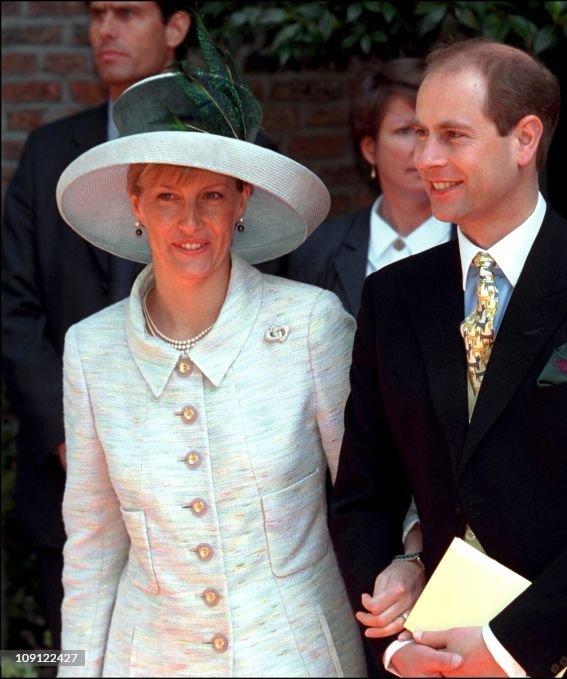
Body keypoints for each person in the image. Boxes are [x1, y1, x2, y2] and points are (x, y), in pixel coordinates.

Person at [54, 30, 418, 676]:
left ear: (241, 202)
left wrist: (411, 560)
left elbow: (380, 491)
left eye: (211, 196)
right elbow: (90, 551)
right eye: (167, 196)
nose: (189, 223)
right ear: (136, 204)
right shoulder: (91, 350)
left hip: (299, 656)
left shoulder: (311, 325)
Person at [330, 38, 567, 677]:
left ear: (525, 140)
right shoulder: (392, 298)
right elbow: (364, 494)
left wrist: (506, 645)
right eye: (418, 135)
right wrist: (392, 641)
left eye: (452, 136)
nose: (426, 159)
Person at [1, 1, 192, 650]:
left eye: (127, 12)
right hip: (66, 484)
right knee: (75, 654)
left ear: (176, 27)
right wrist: (69, 437)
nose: (104, 30)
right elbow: (13, 305)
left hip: (199, 477)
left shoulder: (231, 156)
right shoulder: (49, 151)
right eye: (96, 13)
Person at [287, 57, 452, 316]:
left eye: (437, 132)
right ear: (370, 149)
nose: (426, 149)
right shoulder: (318, 250)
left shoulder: (478, 242)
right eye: (406, 131)